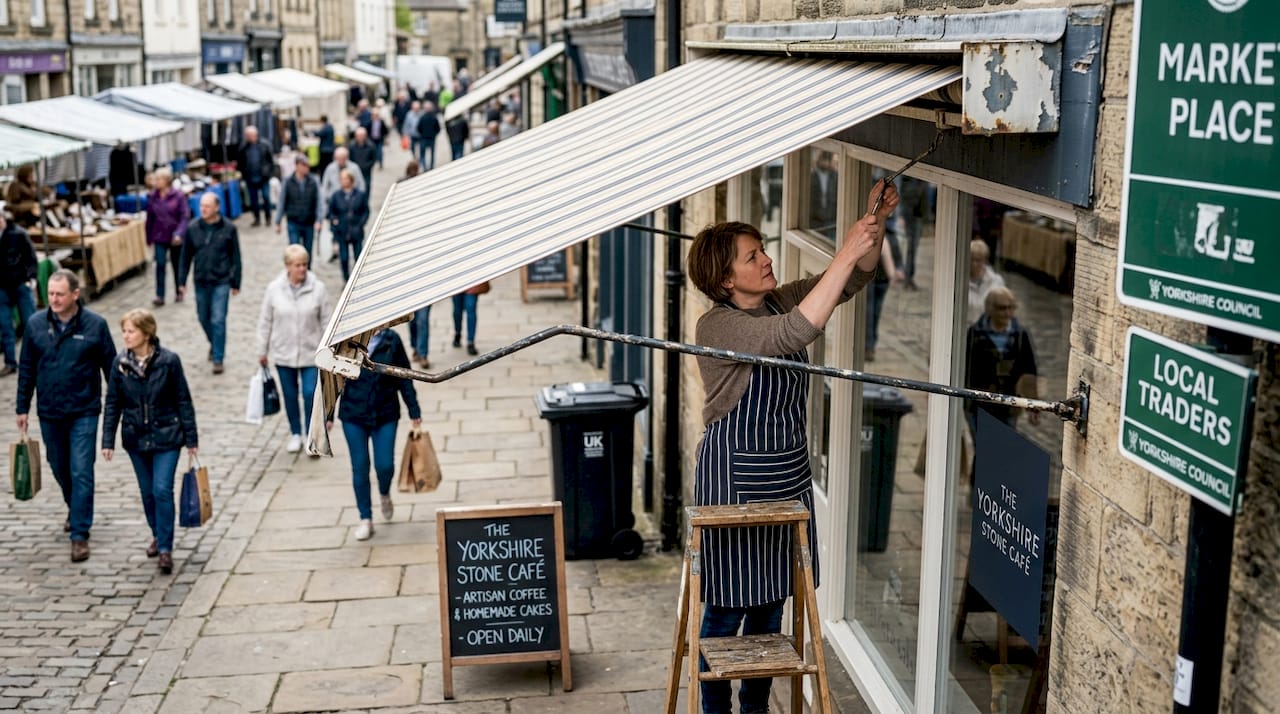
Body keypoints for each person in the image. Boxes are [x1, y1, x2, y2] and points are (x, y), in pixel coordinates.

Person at [685, 181, 897, 713]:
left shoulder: (775, 300)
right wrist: (845, 245)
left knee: (771, 601)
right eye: (752, 256)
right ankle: (716, 711)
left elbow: (846, 283)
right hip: (734, 481)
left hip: (786, 474)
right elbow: (796, 332)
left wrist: (873, 226)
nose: (766, 259)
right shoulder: (718, 324)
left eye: (762, 250)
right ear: (725, 277)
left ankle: (756, 707)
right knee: (727, 606)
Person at [16, 269, 117, 562]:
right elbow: (26, 369)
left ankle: (80, 534)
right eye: (50, 294)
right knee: (59, 466)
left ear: (75, 294)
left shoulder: (95, 326)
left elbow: (111, 368)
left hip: (84, 409)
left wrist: (119, 406)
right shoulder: (36, 325)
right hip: (50, 411)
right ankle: (75, 507)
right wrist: (22, 406)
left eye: (60, 294)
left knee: (81, 469)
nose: (54, 299)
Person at [101, 309, 198, 575]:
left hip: (167, 436)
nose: (126, 336)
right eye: (124, 331)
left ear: (146, 333)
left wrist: (191, 438)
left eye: (131, 331)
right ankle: (157, 533)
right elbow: (112, 403)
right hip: (136, 439)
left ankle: (165, 548)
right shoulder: (120, 364)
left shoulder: (169, 361)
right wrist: (107, 440)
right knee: (147, 493)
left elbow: (183, 400)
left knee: (161, 490)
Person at [331, 327, 421, 541]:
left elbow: (404, 376)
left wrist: (414, 409)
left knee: (385, 465)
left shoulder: (391, 340)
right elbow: (332, 378)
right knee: (360, 466)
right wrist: (327, 414)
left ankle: (384, 493)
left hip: (385, 411)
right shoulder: (346, 339)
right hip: (353, 413)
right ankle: (365, 518)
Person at [257, 245, 330, 454]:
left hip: (310, 352)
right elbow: (265, 321)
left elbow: (326, 321)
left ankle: (310, 434)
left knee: (309, 394)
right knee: (290, 395)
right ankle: (295, 432)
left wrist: (328, 349)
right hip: (284, 352)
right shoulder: (274, 289)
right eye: (297, 265)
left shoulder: (318, 288)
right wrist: (262, 350)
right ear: (288, 266)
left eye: (304, 264)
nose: (302, 269)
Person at [179, 193, 242, 375]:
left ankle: (218, 358)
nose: (203, 209)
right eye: (201, 206)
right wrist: (181, 281)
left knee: (218, 319)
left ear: (216, 208)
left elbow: (236, 257)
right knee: (203, 317)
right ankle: (215, 343)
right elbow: (185, 257)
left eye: (207, 206)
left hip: (221, 280)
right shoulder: (193, 228)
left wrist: (236, 281)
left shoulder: (229, 228)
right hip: (201, 280)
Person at [965, 286, 1039, 428]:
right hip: (979, 406)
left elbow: (1029, 370)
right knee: (982, 448)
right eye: (1002, 308)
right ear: (990, 309)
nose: (1007, 313)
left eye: (1011, 308)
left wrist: (1033, 407)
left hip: (1008, 406)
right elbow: (965, 369)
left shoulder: (1020, 335)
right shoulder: (975, 333)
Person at [400, 160, 432, 367]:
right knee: (412, 319)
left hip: (427, 277)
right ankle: (415, 347)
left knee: (423, 319)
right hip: (410, 278)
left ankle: (423, 353)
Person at [144, 167, 190, 307]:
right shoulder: (153, 197)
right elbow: (150, 218)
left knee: (177, 265)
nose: (156, 182)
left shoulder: (178, 196)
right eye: (155, 179)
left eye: (159, 179)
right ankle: (160, 295)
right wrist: (148, 237)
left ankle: (179, 290)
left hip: (175, 237)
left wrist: (179, 233)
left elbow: (185, 216)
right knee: (160, 264)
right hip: (159, 236)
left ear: (167, 180)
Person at [0, 212, 38, 377]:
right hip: (2, 287)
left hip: (20, 283)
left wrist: (30, 278)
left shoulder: (18, 234)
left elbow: (31, 257)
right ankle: (10, 362)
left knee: (31, 323)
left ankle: (36, 359)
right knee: (5, 326)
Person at [865, 226, 904, 362]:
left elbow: (896, 253)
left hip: (882, 281)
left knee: (875, 312)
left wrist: (898, 268)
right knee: (869, 313)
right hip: (870, 280)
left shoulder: (890, 235)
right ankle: (868, 346)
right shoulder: (870, 233)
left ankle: (871, 344)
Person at [275, 156, 323, 263]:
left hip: (308, 221)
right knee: (294, 250)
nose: (307, 168)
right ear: (297, 166)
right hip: (294, 221)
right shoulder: (288, 182)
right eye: (304, 165)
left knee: (307, 251)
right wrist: (278, 222)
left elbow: (319, 202)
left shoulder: (313, 181)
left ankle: (307, 271)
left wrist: (319, 220)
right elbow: (282, 202)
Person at [327, 169, 370, 281]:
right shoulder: (336, 196)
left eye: (346, 178)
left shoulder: (359, 195)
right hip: (342, 231)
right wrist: (334, 220)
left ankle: (358, 279)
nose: (344, 181)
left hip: (356, 230)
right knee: (344, 258)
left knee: (358, 257)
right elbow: (331, 211)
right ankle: (346, 279)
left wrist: (361, 223)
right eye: (342, 179)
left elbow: (365, 210)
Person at [896, 176, 932, 290]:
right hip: (910, 214)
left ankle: (908, 277)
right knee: (911, 247)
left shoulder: (920, 179)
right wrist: (901, 214)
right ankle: (907, 277)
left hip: (918, 213)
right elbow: (903, 192)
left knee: (913, 247)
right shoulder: (908, 177)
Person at [239, 126, 275, 227]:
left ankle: (268, 218)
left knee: (266, 197)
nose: (248, 137)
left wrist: (269, 173)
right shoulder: (244, 147)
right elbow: (241, 162)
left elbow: (270, 161)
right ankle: (257, 219)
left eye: (249, 135)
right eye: (247, 135)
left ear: (255, 135)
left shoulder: (264, 145)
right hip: (250, 178)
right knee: (253, 200)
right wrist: (244, 174)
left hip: (263, 178)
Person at [967, 239, 1006, 325]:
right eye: (971, 259)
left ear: (985, 260)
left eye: (978, 260)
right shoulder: (959, 282)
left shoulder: (996, 281)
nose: (974, 264)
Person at [347, 127, 378, 195]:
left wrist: (368, 166)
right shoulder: (352, 146)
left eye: (362, 135)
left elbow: (374, 158)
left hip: (366, 171)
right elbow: (349, 158)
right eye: (359, 136)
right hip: (354, 171)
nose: (360, 137)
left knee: (366, 187)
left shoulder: (371, 145)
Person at [415, 101, 441, 170]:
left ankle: (425, 167)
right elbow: (438, 128)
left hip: (424, 138)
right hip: (431, 138)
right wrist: (434, 134)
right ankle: (431, 167)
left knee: (423, 154)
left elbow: (418, 128)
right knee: (431, 153)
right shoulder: (433, 117)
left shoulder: (422, 117)